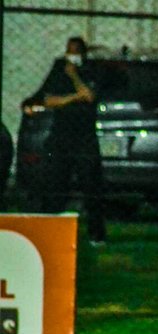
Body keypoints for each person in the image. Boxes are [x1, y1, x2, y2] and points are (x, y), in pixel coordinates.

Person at [26, 36, 106, 244]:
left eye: (75, 51)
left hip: (84, 138)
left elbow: (89, 95)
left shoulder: (89, 70)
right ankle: (51, 230)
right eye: (68, 51)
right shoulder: (58, 69)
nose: (71, 56)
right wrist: (72, 97)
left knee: (91, 185)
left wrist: (74, 77)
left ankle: (97, 233)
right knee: (56, 182)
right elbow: (48, 98)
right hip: (61, 136)